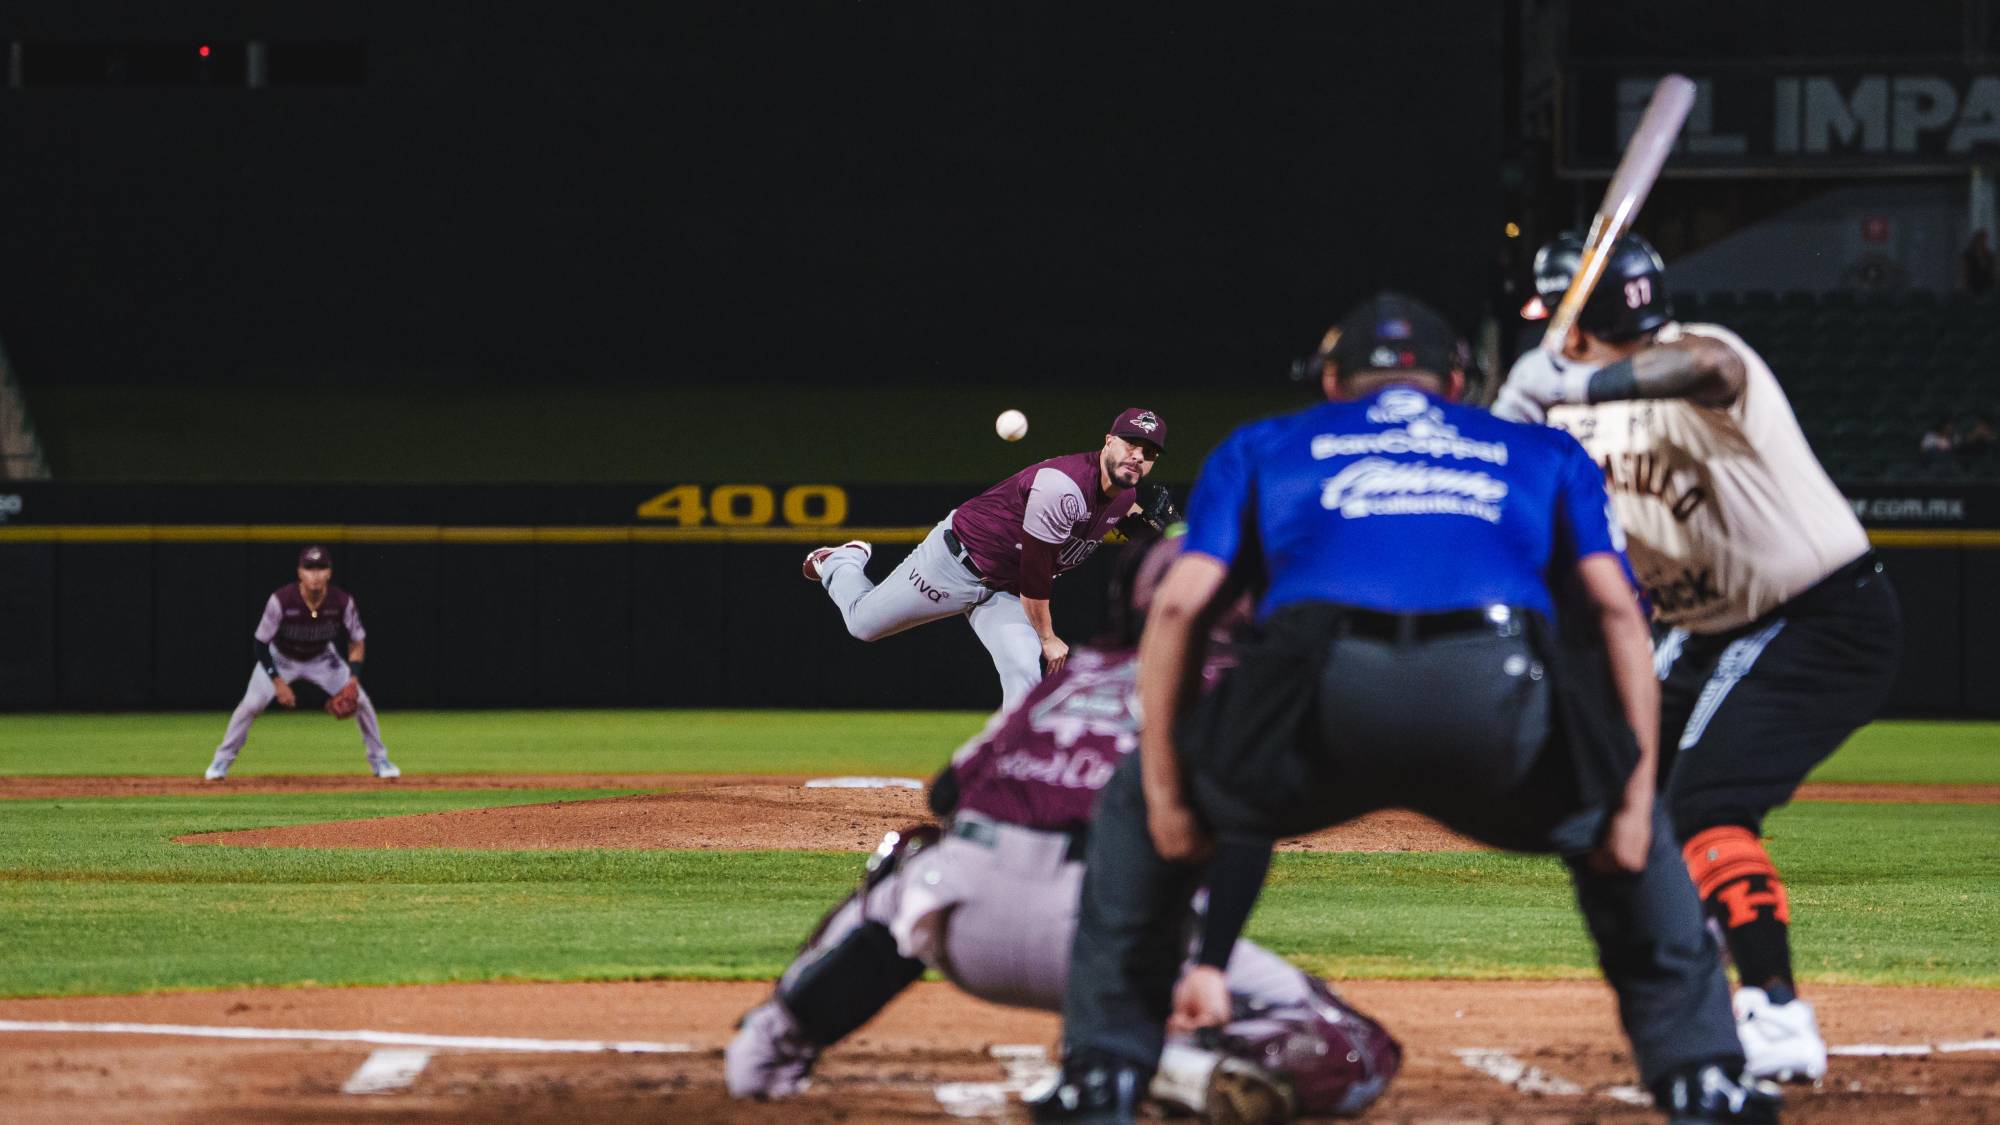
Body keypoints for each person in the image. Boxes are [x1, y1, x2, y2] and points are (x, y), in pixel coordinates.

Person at [1039, 292, 1775, 1124]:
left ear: (1328, 379)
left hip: (1319, 695)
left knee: (1137, 806)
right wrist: (1633, 801)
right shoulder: (1539, 449)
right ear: (1459, 380)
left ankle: (1102, 1072)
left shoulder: (1266, 444)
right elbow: (1615, 613)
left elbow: (1178, 608)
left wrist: (1173, 795)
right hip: (1496, 691)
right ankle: (1701, 1077)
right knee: (1628, 834)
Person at [729, 534, 1400, 1122]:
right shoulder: (1242, 685)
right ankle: (1165, 1063)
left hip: (956, 926)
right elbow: (1247, 830)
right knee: (1361, 1051)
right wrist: (1211, 963)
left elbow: (946, 790)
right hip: (1110, 952)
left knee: (912, 859)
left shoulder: (1074, 674)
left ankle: (770, 1044)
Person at [1496, 232, 1902, 1083]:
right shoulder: (1573, 410)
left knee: (1709, 803)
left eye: (1559, 315)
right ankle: (1690, 998)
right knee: (1625, 804)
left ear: (1591, 315)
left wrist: (1577, 382)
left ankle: (1776, 1011)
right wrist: (1511, 431)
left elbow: (1709, 364)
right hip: (1707, 628)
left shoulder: (1700, 358)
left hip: (1818, 615)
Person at [804, 408, 1175, 710]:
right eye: (1130, 443)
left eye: (1149, 452)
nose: (1138, 456)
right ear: (1109, 441)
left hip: (1006, 592)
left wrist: (1166, 533)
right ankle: (841, 561)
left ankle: (1010, 783)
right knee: (863, 624)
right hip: (954, 564)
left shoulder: (1125, 499)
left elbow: (1142, 530)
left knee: (1024, 679)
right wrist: (1047, 638)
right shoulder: (1063, 488)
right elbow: (1035, 578)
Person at [204, 545, 400, 781]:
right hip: (281, 657)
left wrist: (354, 679)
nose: (315, 574)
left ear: (329, 573)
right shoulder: (282, 600)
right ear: (300, 572)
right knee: (250, 705)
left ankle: (380, 760)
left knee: (362, 702)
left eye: (320, 568)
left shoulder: (341, 601)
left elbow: (357, 641)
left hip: (322, 658)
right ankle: (221, 761)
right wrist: (277, 682)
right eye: (309, 568)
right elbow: (260, 644)